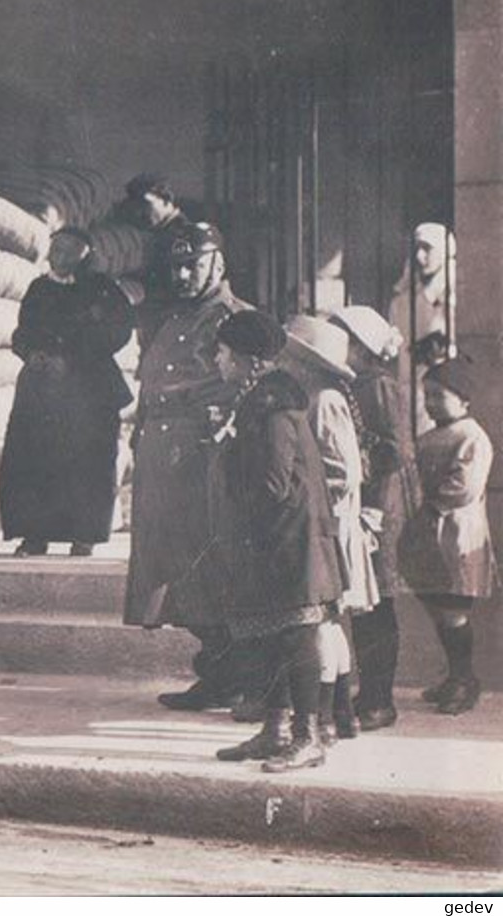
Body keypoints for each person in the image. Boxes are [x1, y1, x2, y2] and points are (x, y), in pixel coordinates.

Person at [121, 221, 255, 712]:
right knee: (171, 572)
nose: (181, 274)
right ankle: (219, 669)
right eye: (174, 264)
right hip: (162, 459)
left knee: (206, 572)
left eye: (191, 263)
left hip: (200, 462)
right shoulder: (178, 316)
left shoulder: (231, 318)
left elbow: (241, 387)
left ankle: (236, 672)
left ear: (218, 263)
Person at [208, 311, 343, 773]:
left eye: (222, 352)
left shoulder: (271, 409)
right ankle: (275, 730)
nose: (217, 360)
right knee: (273, 638)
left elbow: (272, 485)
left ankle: (307, 737)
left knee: (296, 637)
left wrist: (224, 461)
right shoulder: (262, 400)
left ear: (247, 359)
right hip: (278, 542)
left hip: (290, 543)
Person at [0, 227, 136, 557]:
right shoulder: (38, 288)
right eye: (53, 250)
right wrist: (32, 353)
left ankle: (83, 535)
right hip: (42, 389)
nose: (54, 257)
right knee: (33, 460)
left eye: (64, 251)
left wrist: (73, 358)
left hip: (89, 392)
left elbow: (118, 331)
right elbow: (22, 331)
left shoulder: (104, 291)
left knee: (86, 464)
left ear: (83, 254)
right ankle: (34, 535)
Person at [281, 315, 379, 743]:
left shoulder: (322, 401)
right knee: (329, 622)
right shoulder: (316, 397)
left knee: (318, 621)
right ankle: (340, 712)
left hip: (329, 527)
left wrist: (308, 500)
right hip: (327, 524)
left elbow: (344, 472)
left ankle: (322, 715)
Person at [330, 305, 420, 730]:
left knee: (377, 604)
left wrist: (373, 511)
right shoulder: (355, 384)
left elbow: (396, 452)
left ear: (361, 348)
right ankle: (369, 693)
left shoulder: (379, 387)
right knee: (364, 604)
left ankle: (379, 700)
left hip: (380, 508)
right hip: (368, 505)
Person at [399, 355, 496, 716]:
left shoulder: (472, 437)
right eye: (427, 395)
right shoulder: (428, 437)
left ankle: (464, 679)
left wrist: (430, 504)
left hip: (456, 535)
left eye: (440, 395)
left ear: (464, 399)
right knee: (439, 607)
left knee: (454, 610)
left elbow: (464, 486)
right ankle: (454, 675)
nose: (431, 402)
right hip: (428, 534)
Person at [112, 173, 198, 350]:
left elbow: (177, 287)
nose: (139, 212)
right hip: (154, 321)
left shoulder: (182, 235)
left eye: (145, 204)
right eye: (135, 206)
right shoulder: (153, 233)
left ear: (166, 201)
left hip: (171, 321)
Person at [387, 222, 458, 433]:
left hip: (442, 389)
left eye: (428, 248)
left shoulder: (456, 292)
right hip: (407, 388)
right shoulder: (402, 298)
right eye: (417, 248)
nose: (420, 256)